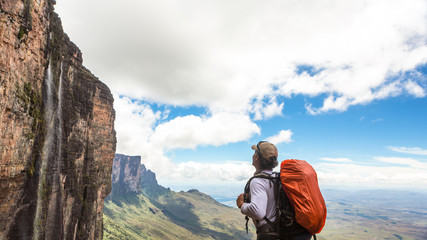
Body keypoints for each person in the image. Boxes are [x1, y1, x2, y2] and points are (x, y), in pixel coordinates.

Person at [236, 141, 312, 240]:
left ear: (257, 157)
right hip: (281, 233)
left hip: (268, 235)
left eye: (254, 153)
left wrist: (242, 205)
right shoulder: (278, 178)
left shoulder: (258, 181)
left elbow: (258, 212)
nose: (253, 155)